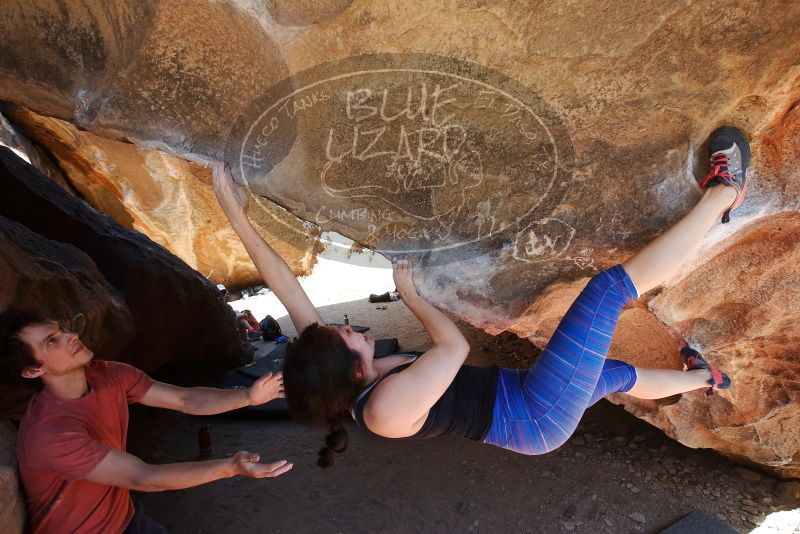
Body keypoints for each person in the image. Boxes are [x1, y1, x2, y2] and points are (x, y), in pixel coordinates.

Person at [212, 126, 748, 467]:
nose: (349, 327)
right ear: (351, 372)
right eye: (346, 336)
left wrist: (236, 213)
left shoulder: (340, 368)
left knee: (616, 374)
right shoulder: (382, 411)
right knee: (606, 290)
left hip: (523, 393)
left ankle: (705, 377)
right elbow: (454, 350)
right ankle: (726, 193)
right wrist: (411, 295)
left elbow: (286, 286)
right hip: (537, 414)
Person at [0, 310, 292, 534]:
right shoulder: (50, 433)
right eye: (52, 341)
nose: (71, 335)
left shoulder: (109, 374)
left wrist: (248, 397)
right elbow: (144, 477)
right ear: (32, 370)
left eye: (61, 329)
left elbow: (184, 400)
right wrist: (231, 467)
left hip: (125, 518)